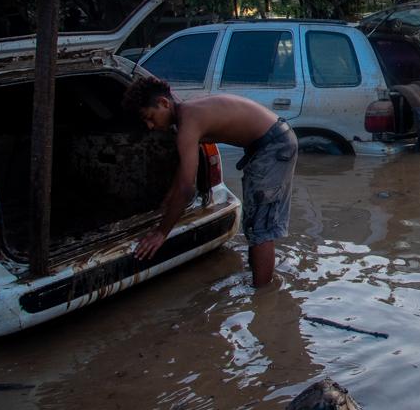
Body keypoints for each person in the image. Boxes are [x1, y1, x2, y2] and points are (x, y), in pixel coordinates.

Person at [122, 75, 298, 288]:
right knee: (254, 223)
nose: (150, 125)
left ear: (163, 103)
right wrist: (171, 194)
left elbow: (187, 189)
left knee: (261, 227)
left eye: (150, 117)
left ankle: (263, 298)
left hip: (273, 145)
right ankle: (258, 281)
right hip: (270, 142)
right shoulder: (187, 114)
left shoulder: (188, 121)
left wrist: (161, 233)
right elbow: (185, 169)